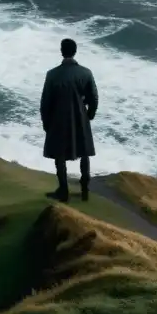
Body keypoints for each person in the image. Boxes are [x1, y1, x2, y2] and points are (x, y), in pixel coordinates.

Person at [40, 38, 98, 203]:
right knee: (84, 151)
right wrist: (89, 115)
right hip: (80, 116)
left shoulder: (52, 74)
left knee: (60, 154)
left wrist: (46, 123)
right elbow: (94, 98)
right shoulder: (86, 73)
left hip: (59, 118)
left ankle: (63, 190)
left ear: (61, 51)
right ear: (75, 51)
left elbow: (45, 102)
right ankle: (85, 188)